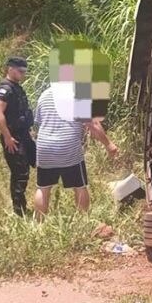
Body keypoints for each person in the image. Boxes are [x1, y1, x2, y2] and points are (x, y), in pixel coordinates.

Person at [33, 86, 118, 215]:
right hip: (68, 146)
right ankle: (82, 220)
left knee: (43, 188)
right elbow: (92, 124)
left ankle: (39, 225)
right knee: (79, 186)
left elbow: (40, 122)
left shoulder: (44, 95)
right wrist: (109, 144)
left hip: (45, 147)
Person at [0, 57, 36, 216]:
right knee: (20, 174)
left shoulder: (16, 87)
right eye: (20, 71)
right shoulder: (5, 88)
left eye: (25, 71)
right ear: (10, 69)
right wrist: (8, 137)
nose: (23, 74)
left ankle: (43, 196)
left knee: (40, 160)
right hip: (14, 138)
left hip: (24, 135)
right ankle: (20, 213)